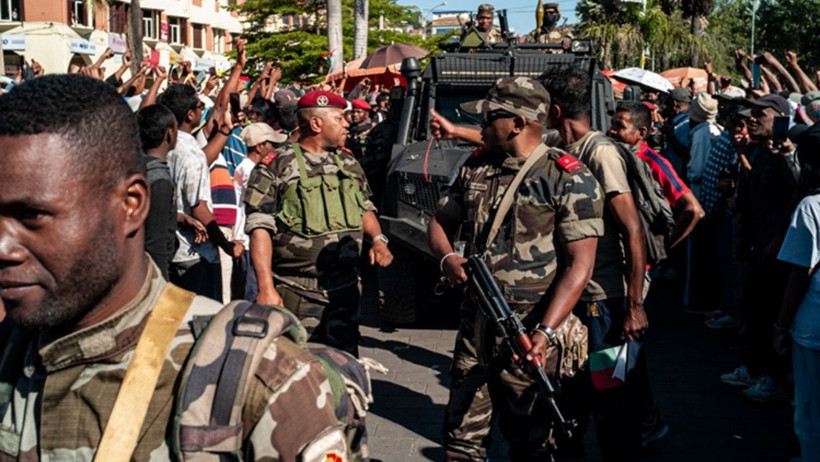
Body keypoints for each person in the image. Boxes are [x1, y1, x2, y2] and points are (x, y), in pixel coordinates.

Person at [0, 74, 367, 461]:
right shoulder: (12, 349)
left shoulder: (256, 381)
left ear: (131, 204)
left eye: (32, 215)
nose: (4, 246)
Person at [429, 76, 603, 462]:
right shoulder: (476, 166)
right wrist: (447, 258)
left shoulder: (568, 177)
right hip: (478, 327)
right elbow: (440, 221)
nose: (482, 126)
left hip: (534, 335)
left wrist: (544, 331)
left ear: (519, 123)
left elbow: (581, 265)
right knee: (461, 440)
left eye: (490, 118)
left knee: (538, 444)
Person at [540, 65, 649, 460]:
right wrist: (454, 131)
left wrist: (634, 306)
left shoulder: (600, 152)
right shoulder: (560, 142)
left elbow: (633, 229)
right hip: (577, 297)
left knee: (613, 401)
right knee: (574, 394)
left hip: (606, 302)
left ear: (553, 110)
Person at [244, 90, 394, 356]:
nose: (347, 123)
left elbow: (364, 207)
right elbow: (260, 227)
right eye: (339, 118)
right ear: (316, 124)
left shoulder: (348, 162)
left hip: (345, 291)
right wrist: (266, 288)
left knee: (345, 371)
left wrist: (379, 240)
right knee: (297, 377)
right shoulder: (277, 165)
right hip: (297, 293)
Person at [721, 94, 799, 403]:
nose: (752, 120)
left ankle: (773, 377)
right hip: (757, 245)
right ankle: (756, 369)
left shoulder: (784, 154)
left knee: (770, 313)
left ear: (779, 117)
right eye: (750, 114)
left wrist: (778, 237)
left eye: (760, 114)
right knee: (756, 309)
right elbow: (756, 191)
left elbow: (796, 198)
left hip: (776, 251)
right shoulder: (761, 151)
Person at [159, 84, 244, 301]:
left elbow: (202, 160)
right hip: (195, 254)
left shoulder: (167, 145)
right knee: (200, 322)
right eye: (199, 106)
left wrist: (226, 130)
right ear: (190, 115)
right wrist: (225, 245)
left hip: (172, 250)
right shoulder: (189, 154)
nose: (201, 109)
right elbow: (199, 210)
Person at [774, 123, 820, 462]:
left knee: (811, 410)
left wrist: (780, 326)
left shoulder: (811, 207)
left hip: (812, 326)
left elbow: (799, 273)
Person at [609, 101, 704, 249]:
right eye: (612, 124)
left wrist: (664, 247)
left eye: (619, 126)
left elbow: (694, 209)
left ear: (641, 132)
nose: (612, 131)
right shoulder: (614, 156)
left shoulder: (654, 163)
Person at [234, 122, 287, 301]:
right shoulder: (250, 170)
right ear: (259, 147)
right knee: (254, 294)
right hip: (249, 240)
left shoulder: (250, 168)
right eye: (272, 144)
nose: (275, 148)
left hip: (251, 239)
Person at [137, 104, 179, 280]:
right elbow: (156, 244)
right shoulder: (159, 179)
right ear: (169, 133)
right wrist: (162, 289)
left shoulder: (138, 167)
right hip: (150, 275)